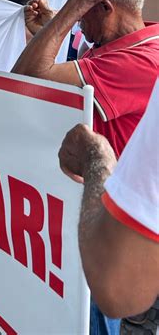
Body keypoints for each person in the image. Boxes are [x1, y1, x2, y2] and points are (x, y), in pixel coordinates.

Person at [12, 0, 158, 335]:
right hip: (107, 217)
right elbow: (85, 57)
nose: (75, 16)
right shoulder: (141, 41)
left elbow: (22, 83)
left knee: (90, 319)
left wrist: (73, 5)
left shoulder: (138, 61)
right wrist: (57, 25)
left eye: (84, 5)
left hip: (106, 230)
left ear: (104, 6)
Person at [58, 77, 159, 320]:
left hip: (117, 238)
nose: (85, 37)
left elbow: (119, 289)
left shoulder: (138, 56)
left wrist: (96, 158)